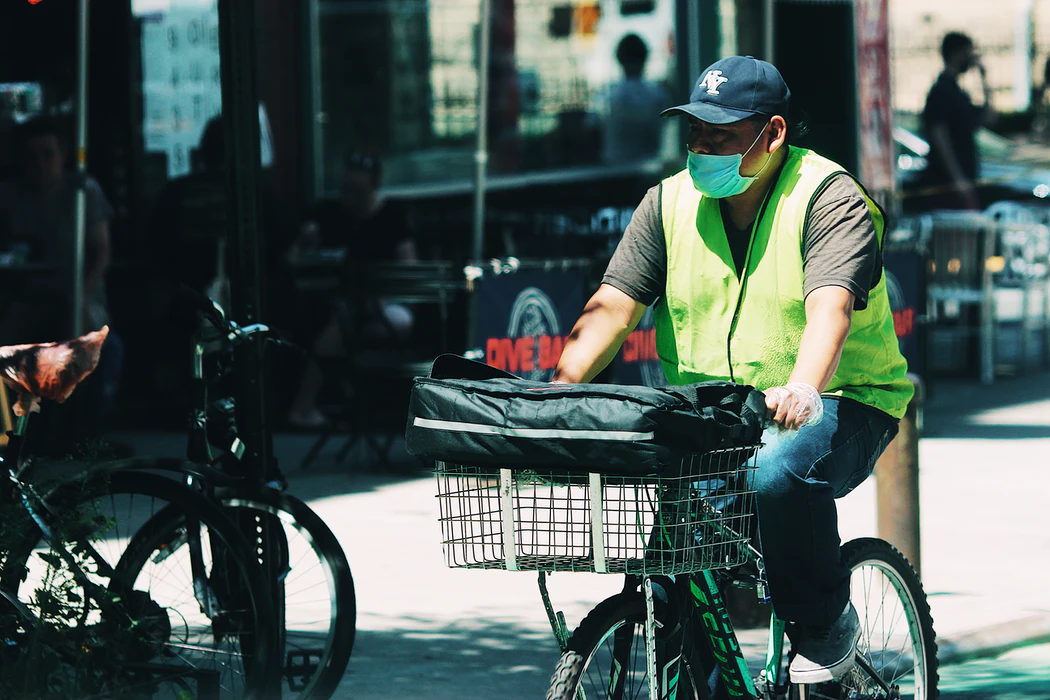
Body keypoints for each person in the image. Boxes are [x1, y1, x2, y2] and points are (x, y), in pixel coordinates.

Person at [552, 56, 913, 685]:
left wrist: (806, 384)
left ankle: (825, 634)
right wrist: (559, 390)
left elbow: (830, 309)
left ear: (772, 134)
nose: (701, 147)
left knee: (779, 468)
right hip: (714, 415)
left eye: (719, 135)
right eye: (694, 132)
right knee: (672, 561)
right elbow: (613, 307)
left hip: (843, 401)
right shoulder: (666, 204)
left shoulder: (828, 197)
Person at [286, 149, 419, 428]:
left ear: (373, 187)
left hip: (385, 301)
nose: (350, 198)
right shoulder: (329, 213)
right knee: (335, 321)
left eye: (357, 191)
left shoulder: (392, 217)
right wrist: (308, 239)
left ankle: (314, 402)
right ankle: (336, 396)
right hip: (336, 299)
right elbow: (294, 255)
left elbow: (409, 268)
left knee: (349, 326)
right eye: (346, 189)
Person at [0, 116, 113, 343]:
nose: (40, 164)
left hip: (78, 295)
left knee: (74, 332)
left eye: (47, 154)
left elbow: (100, 250)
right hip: (25, 298)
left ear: (63, 156)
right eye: (31, 156)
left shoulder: (83, 192)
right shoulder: (7, 196)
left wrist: (81, 293)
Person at [921, 32, 996, 210]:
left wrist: (984, 79)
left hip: (966, 178)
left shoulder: (959, 92)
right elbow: (940, 137)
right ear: (956, 53)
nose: (972, 58)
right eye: (969, 52)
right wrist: (958, 180)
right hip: (947, 184)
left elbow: (990, 119)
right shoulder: (941, 91)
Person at [595, 34, 671, 164]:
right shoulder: (658, 95)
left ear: (619, 58)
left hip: (612, 170)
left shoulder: (607, 96)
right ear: (646, 57)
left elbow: (593, 126)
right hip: (650, 169)